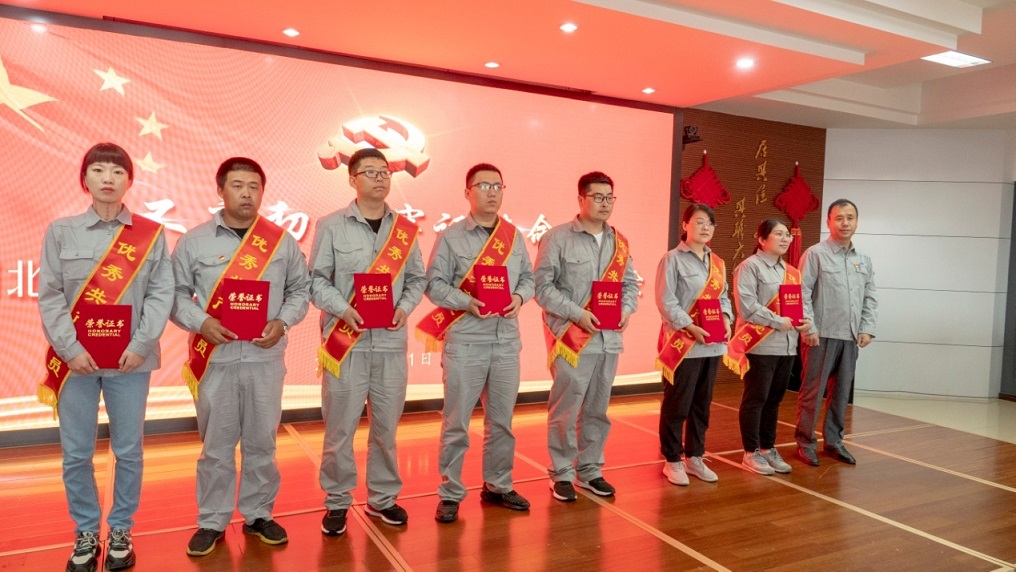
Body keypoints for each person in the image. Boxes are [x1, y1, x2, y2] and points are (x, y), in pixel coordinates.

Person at [38, 142, 173, 572]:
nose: (108, 179)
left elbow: (161, 294)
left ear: (130, 180)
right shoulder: (61, 231)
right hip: (75, 364)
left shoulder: (151, 234)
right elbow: (50, 296)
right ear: (85, 180)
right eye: (98, 170)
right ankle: (84, 531)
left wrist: (140, 345)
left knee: (129, 451)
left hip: (131, 363)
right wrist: (71, 349)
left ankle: (120, 529)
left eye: (117, 171)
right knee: (76, 453)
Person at [171, 157, 309, 556]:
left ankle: (259, 513)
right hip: (216, 358)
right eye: (237, 185)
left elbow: (300, 289)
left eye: (254, 186)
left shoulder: (281, 242)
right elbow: (175, 294)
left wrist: (283, 320)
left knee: (262, 440)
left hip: (265, 358)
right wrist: (201, 322)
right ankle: (212, 520)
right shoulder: (194, 241)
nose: (246, 193)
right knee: (216, 444)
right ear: (220, 190)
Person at [309, 148, 426, 534]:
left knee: (386, 428)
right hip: (346, 344)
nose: (380, 178)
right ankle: (337, 501)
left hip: (390, 343)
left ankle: (383, 498)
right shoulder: (331, 225)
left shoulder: (405, 229)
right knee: (339, 429)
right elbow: (316, 281)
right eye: (371, 172)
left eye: (385, 172)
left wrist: (405, 307)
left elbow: (417, 279)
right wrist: (343, 309)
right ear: (352, 179)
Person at [419, 163, 535, 523]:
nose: (492, 192)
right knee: (456, 422)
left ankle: (498, 485)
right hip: (466, 341)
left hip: (505, 342)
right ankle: (451, 492)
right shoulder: (451, 236)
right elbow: (433, 284)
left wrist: (519, 297)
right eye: (484, 186)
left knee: (501, 422)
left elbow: (529, 278)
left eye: (498, 186)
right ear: (467, 192)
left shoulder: (513, 236)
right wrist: (466, 301)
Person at [534, 171, 639, 502]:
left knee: (597, 408)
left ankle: (590, 470)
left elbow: (629, 284)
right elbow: (542, 288)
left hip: (609, 340)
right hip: (572, 339)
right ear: (581, 199)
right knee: (566, 409)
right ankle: (562, 473)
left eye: (610, 198)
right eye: (598, 197)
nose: (605, 204)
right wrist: (577, 313)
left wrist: (626, 310)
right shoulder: (557, 238)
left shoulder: (619, 242)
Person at [795, 199, 878, 466]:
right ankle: (805, 442)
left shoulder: (863, 259)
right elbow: (801, 292)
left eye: (850, 218)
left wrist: (867, 328)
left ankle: (834, 441)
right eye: (839, 218)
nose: (845, 223)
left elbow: (870, 296)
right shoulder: (815, 254)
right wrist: (809, 327)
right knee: (813, 392)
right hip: (819, 336)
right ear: (828, 222)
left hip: (850, 336)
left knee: (841, 393)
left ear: (856, 222)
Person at [654, 203, 732, 486]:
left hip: (712, 344)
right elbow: (666, 301)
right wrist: (689, 326)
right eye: (699, 222)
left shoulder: (718, 263)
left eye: (710, 223)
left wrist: (726, 318)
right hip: (683, 344)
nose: (705, 227)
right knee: (678, 404)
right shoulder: (672, 260)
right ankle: (672, 459)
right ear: (685, 225)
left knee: (702, 404)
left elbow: (723, 297)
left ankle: (695, 456)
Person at [726, 219, 811, 475]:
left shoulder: (791, 271)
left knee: (774, 400)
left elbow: (798, 305)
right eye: (778, 234)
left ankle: (767, 448)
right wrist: (777, 320)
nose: (785, 239)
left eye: (787, 235)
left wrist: (805, 321)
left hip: (786, 346)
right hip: (759, 345)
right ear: (762, 239)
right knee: (756, 399)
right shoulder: (749, 267)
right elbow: (747, 307)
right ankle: (750, 452)